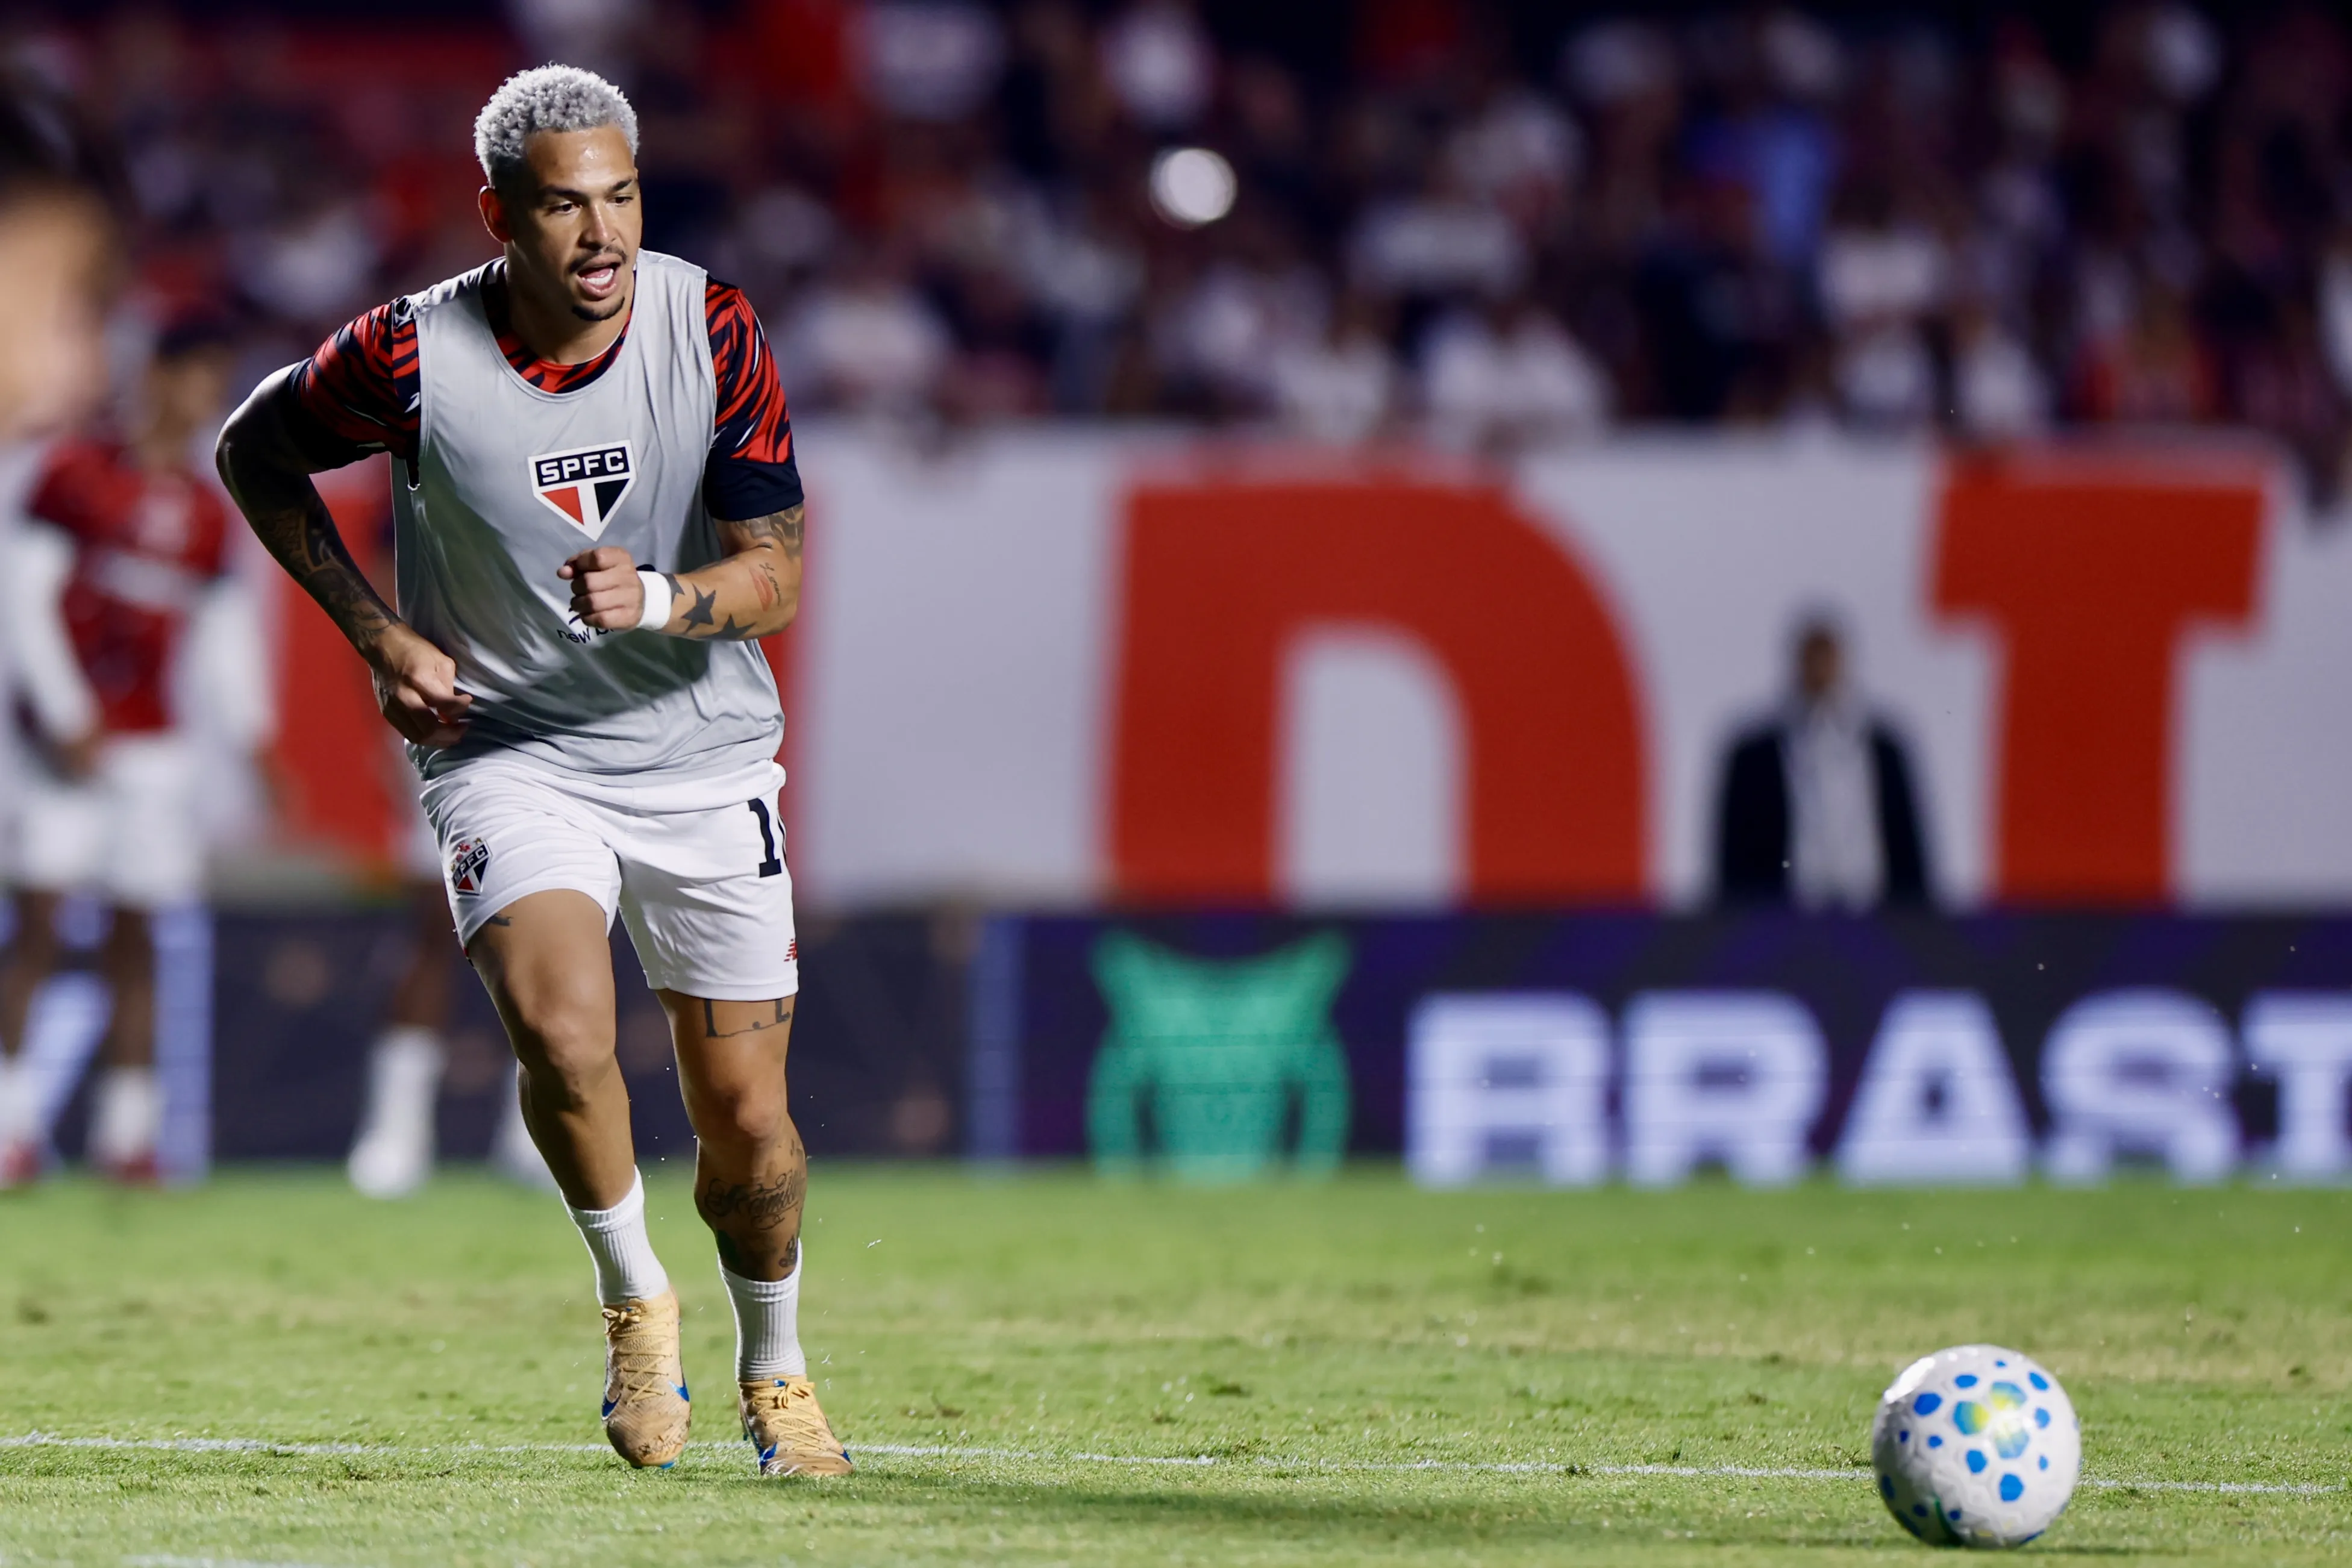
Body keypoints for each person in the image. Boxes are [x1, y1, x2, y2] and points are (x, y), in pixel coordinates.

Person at [213, 67, 848, 1478]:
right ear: (500, 214)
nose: (600, 231)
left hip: (699, 755)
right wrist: (379, 630)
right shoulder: (410, 352)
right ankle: (635, 1303)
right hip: (509, 749)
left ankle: (775, 1361)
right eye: (563, 203)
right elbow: (253, 448)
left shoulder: (714, 324)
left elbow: (777, 572)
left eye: (619, 195)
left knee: (745, 1122)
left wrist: (669, 600)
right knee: (560, 1028)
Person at [0, 319, 262, 1184]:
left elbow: (224, 637)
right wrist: (66, 708)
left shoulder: (200, 507)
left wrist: (255, 741)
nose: (202, 399)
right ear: (158, 376)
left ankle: (130, 1136)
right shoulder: (76, 474)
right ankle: (12, 1126)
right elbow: (26, 598)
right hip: (61, 745)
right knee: (36, 926)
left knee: (139, 933)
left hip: (154, 745)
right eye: (195, 378)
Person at [1713, 616, 1933, 909]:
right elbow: (1733, 856)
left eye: (1826, 659)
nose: (1819, 671)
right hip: (1785, 922)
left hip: (1873, 920)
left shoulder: (1884, 749)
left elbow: (1909, 847)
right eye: (1811, 659)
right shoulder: (1754, 755)